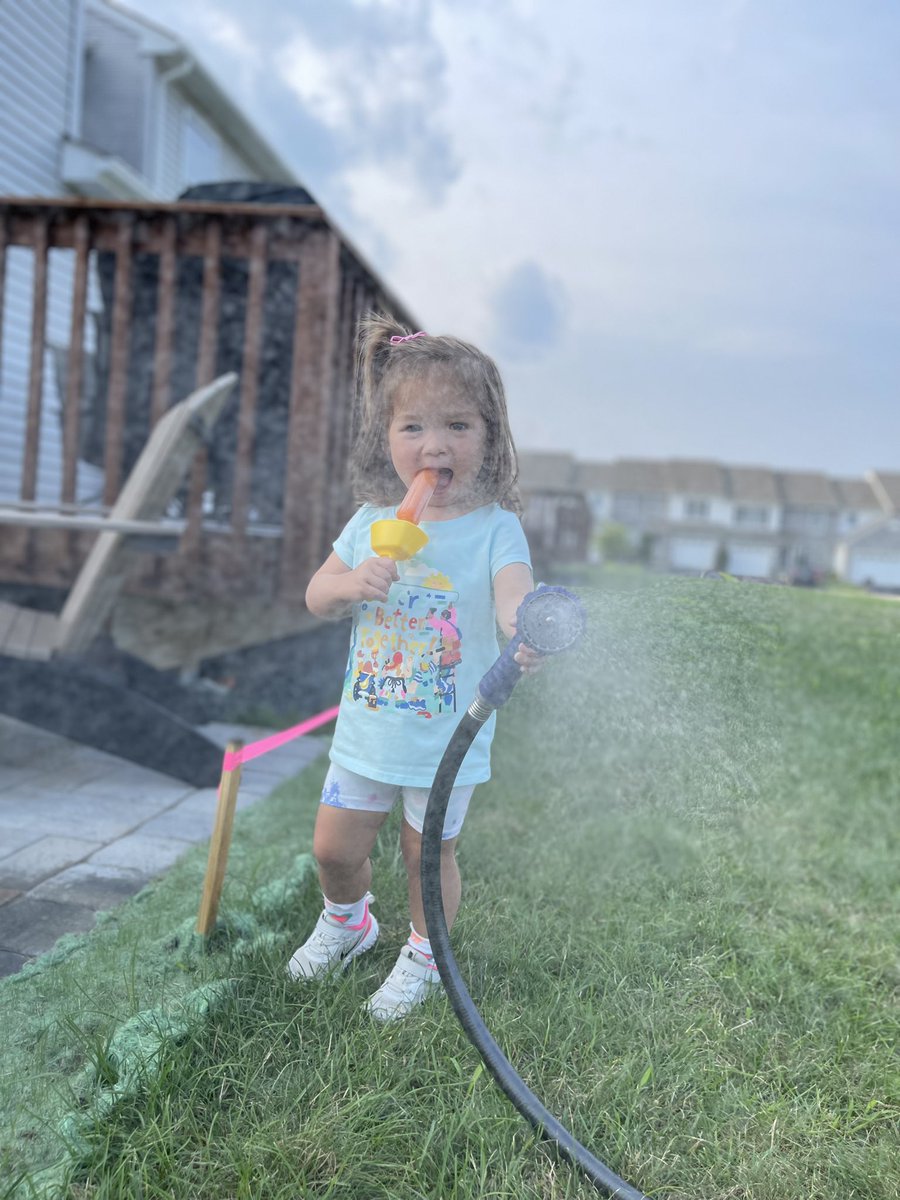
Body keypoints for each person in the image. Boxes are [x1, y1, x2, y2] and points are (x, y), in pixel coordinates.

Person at [287, 312, 541, 1021]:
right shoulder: (371, 522)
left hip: (446, 736)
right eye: (414, 428)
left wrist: (526, 626)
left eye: (458, 426)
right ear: (387, 437)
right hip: (370, 728)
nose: (435, 444)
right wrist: (353, 582)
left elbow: (512, 595)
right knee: (333, 847)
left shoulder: (494, 527)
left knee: (426, 855)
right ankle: (348, 922)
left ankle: (427, 956)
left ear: (489, 437)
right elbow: (316, 595)